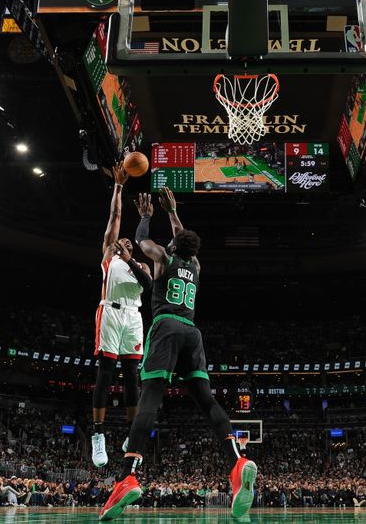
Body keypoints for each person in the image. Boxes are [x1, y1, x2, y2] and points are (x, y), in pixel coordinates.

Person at [99, 188, 257, 521]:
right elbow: (181, 236)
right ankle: (236, 462)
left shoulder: (163, 257)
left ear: (172, 246)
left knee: (150, 400)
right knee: (208, 401)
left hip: (166, 327)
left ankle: (127, 476)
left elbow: (142, 240)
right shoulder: (195, 265)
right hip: (192, 333)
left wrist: (145, 217)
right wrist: (172, 212)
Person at [92, 162, 153, 468]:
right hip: (111, 313)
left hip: (134, 318)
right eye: (122, 241)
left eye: (130, 242)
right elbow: (115, 217)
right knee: (106, 372)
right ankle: (98, 434)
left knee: (132, 377)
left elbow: (149, 285)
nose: (126, 241)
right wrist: (118, 187)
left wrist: (131, 260)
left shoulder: (140, 266)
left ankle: (132, 435)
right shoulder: (109, 258)